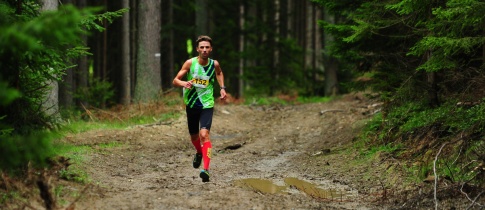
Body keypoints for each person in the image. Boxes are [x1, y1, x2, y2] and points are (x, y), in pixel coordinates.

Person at [173, 35, 227, 182]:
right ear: (197, 49)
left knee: (204, 135)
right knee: (194, 137)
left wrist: (222, 88)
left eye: (207, 47)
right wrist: (184, 83)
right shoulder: (190, 63)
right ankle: (199, 152)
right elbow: (175, 80)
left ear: (211, 49)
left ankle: (206, 170)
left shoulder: (214, 64)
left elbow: (219, 73)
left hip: (207, 104)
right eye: (201, 47)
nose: (204, 50)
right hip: (191, 104)